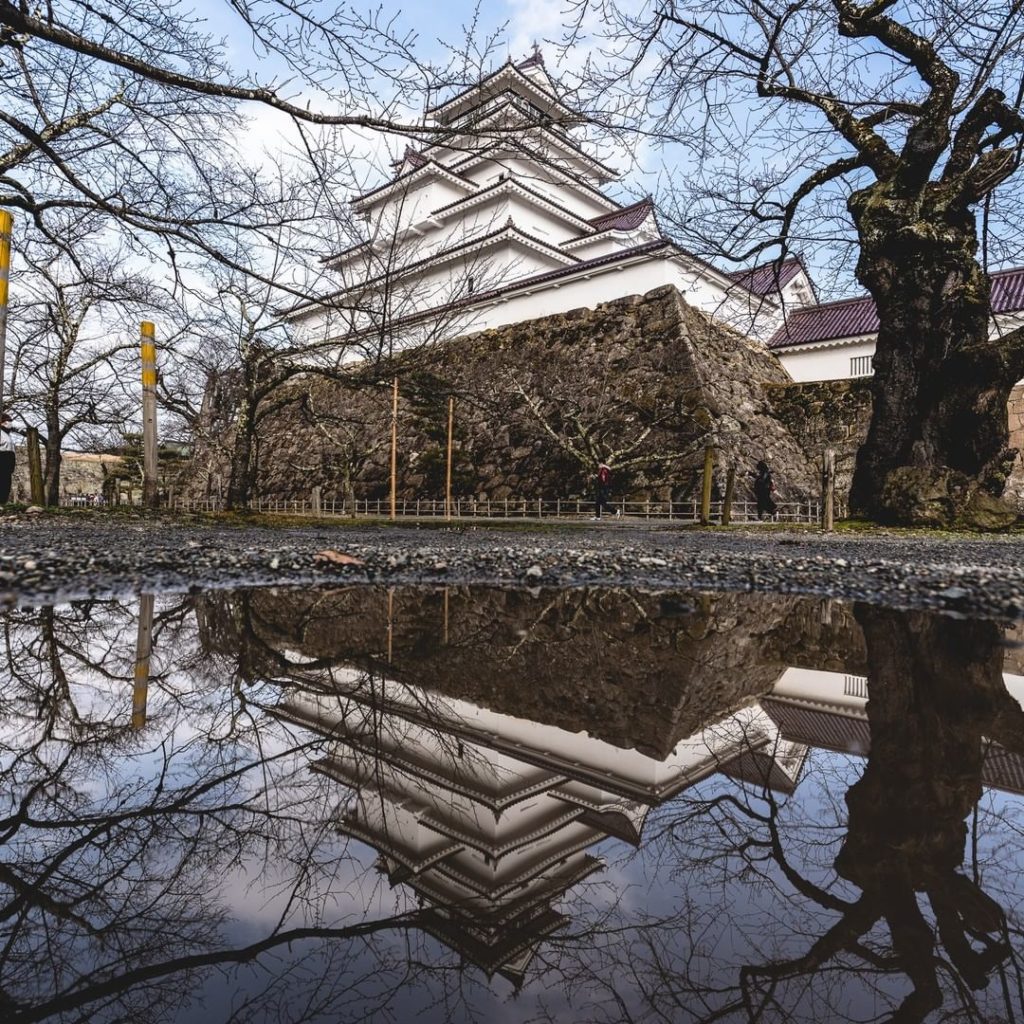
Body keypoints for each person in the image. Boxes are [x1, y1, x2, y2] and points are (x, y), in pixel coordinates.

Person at [0, 414, 15, 505]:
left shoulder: (7, 435)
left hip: (8, 459)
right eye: (7, 421)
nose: (9, 423)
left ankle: (2, 502)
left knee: (6, 482)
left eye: (10, 421)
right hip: (2, 457)